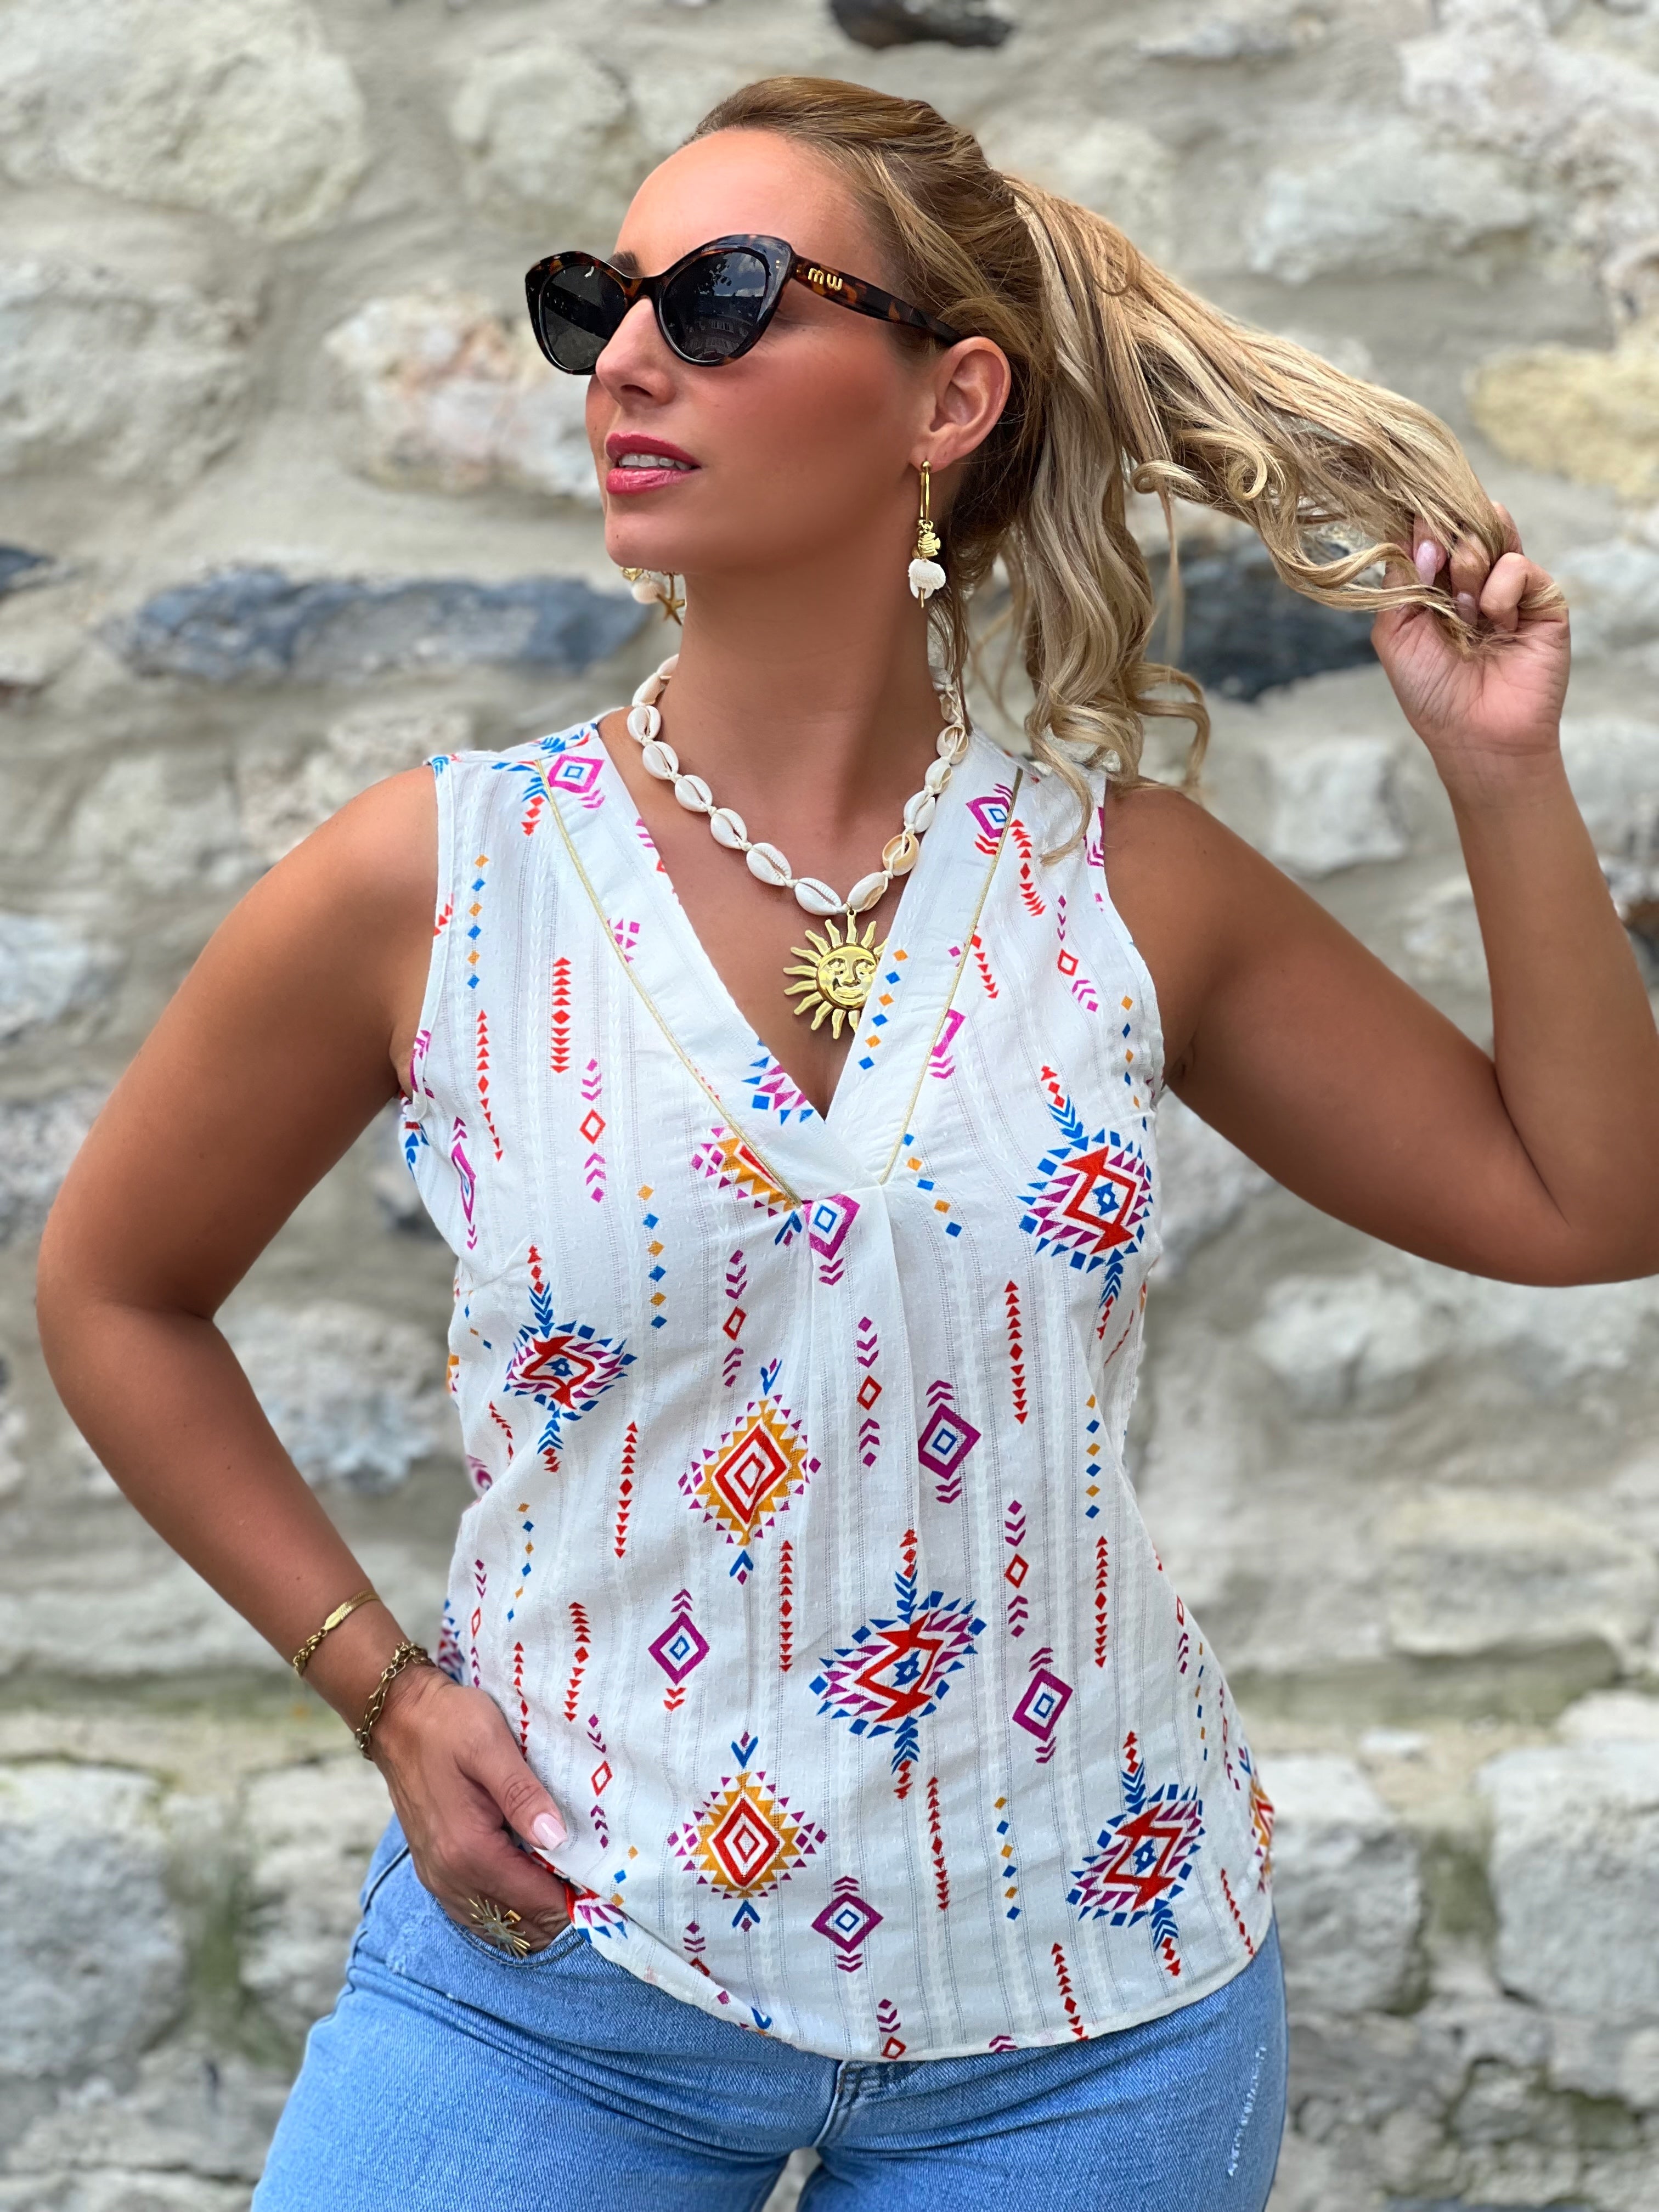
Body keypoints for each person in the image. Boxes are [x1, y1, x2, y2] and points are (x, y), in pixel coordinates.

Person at [35, 72, 1658, 2212]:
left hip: (1090, 2016)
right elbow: (115, 1290)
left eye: (720, 298)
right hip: (560, 1978)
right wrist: (382, 1689)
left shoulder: (1124, 887)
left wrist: (1502, 775)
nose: (630, 357)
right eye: (598, 300)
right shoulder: (435, 884)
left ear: (948, 398)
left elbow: (1585, 1203)